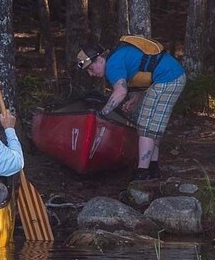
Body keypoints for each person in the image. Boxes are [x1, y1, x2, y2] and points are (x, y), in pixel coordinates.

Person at [76, 40, 186, 181]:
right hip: (172, 76)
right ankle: (153, 169)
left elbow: (121, 91)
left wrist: (101, 115)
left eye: (90, 69)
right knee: (152, 125)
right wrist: (135, 98)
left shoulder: (112, 66)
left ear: (99, 59)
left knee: (146, 126)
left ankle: (142, 173)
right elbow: (143, 72)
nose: (91, 74)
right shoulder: (116, 57)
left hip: (168, 78)